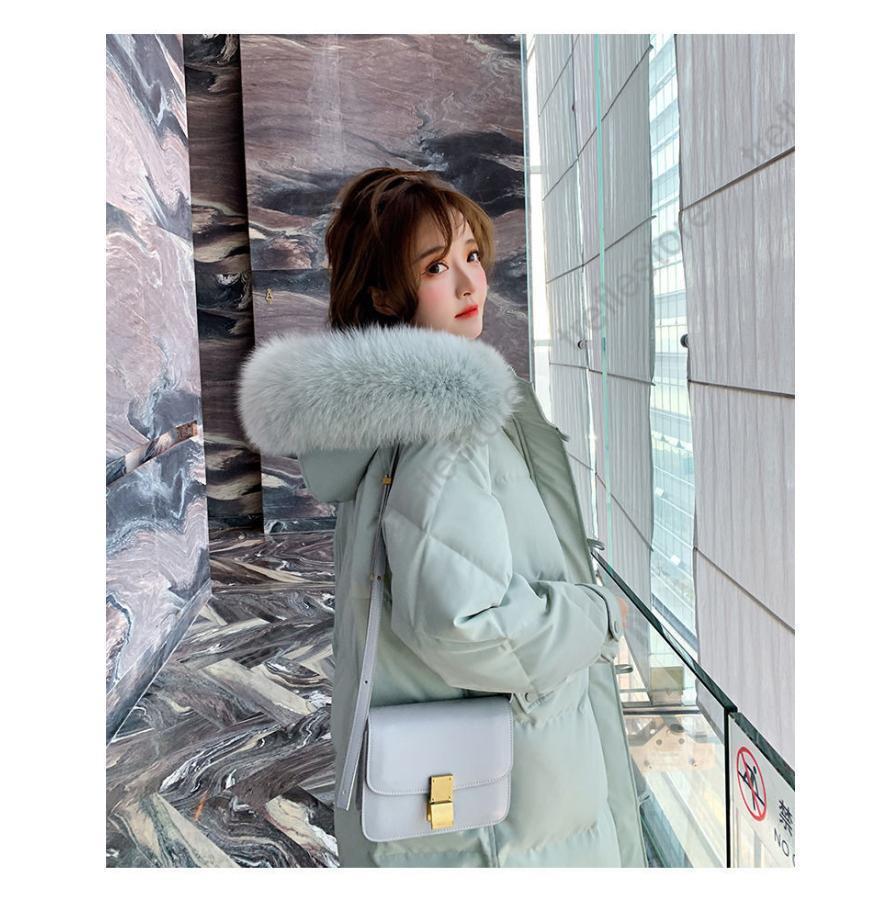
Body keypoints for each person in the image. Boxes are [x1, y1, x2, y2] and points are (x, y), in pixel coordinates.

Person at [237, 167, 648, 867]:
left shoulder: (380, 425)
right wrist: (596, 616)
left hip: (464, 799)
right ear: (384, 293)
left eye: (472, 255)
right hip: (517, 810)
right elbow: (461, 621)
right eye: (435, 266)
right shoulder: (447, 423)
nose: (468, 283)